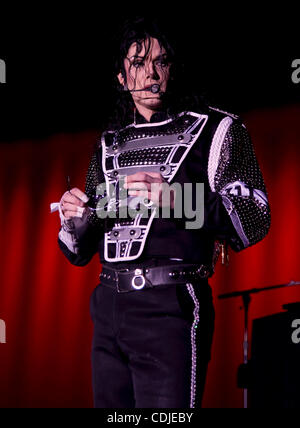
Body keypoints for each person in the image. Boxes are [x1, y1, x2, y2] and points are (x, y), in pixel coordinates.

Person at [53, 17, 271, 408]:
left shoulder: (217, 128)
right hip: (108, 307)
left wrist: (177, 199)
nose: (151, 74)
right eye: (138, 63)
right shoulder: (110, 143)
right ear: (121, 76)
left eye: (162, 62)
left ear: (173, 69)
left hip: (170, 304)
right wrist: (76, 217)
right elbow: (78, 251)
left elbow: (254, 215)